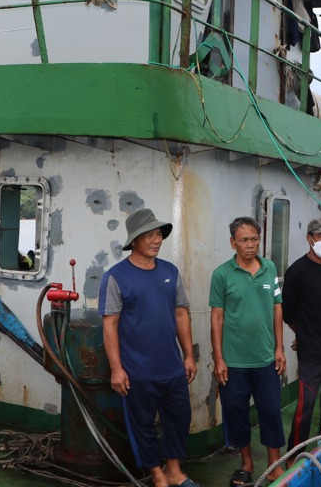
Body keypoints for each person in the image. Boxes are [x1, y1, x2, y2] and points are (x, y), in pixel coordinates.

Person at [98, 208, 199, 487]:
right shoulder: (116, 277)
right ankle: (158, 477)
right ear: (134, 240)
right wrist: (117, 369)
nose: (156, 240)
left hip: (172, 366)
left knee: (178, 419)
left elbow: (181, 314)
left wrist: (188, 355)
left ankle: (175, 472)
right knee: (142, 426)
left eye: (159, 234)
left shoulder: (170, 271)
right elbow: (110, 325)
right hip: (137, 370)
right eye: (149, 235)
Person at [210, 217, 287, 486]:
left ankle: (275, 465)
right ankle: (246, 464)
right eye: (244, 240)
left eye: (254, 239)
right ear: (233, 242)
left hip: (265, 358)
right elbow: (217, 318)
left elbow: (277, 308)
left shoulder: (270, 268)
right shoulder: (221, 275)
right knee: (236, 411)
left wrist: (279, 348)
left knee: (270, 410)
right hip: (233, 361)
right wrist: (219, 359)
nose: (250, 245)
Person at [281, 216, 321, 454]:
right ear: (310, 239)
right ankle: (294, 454)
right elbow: (289, 313)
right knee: (305, 407)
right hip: (312, 353)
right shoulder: (297, 272)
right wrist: (305, 334)